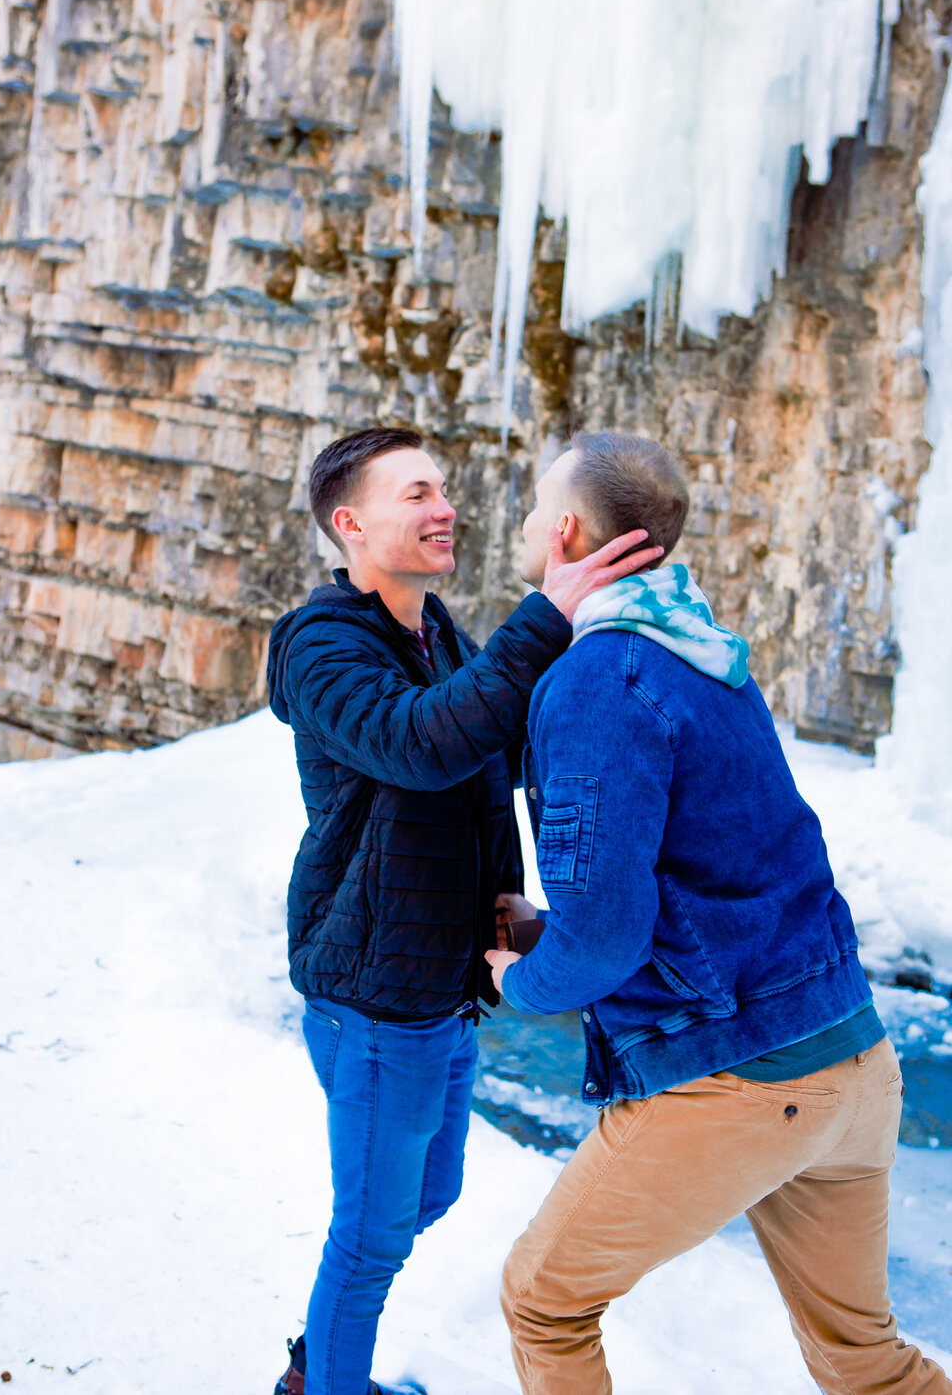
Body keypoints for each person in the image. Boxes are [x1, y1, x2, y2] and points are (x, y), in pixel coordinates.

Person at [486, 430, 951, 1395]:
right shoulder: (703, 648)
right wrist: (548, 924)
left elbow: (608, 935)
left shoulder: (597, 678)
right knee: (866, 1360)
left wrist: (523, 976)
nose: (527, 520)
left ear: (565, 531)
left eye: (535, 504)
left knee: (544, 1299)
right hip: (854, 1066)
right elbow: (704, 873)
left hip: (741, 1080)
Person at [265, 426, 661, 1395]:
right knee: (368, 1236)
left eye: (442, 488)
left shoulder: (436, 629)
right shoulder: (321, 644)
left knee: (424, 1197)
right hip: (374, 991)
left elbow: (497, 751)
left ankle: (325, 1364)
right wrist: (545, 615)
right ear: (349, 525)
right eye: (415, 494)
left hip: (440, 983)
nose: (445, 507)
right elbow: (422, 743)